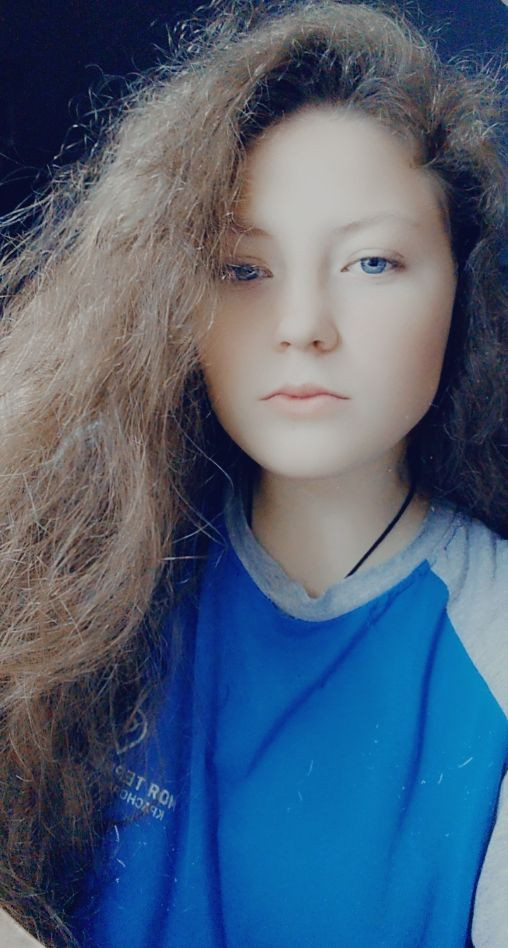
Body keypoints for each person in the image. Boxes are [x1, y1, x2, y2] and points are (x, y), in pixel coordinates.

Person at [0, 0, 506, 945]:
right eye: (244, 269)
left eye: (371, 261)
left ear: (462, 285)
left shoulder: (493, 645)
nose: (302, 324)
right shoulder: (80, 575)